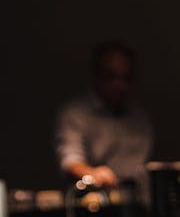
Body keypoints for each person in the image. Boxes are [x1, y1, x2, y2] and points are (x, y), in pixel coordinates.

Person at [54, 41, 154, 202]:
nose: (119, 85)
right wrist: (92, 174)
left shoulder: (139, 118)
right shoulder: (75, 114)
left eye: (126, 78)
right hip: (92, 205)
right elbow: (70, 161)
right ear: (96, 75)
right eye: (111, 76)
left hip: (135, 205)